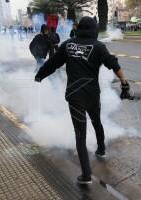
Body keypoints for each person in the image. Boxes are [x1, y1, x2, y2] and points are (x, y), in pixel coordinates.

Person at [34, 17, 133, 185]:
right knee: (96, 122)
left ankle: (86, 175)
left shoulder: (68, 44)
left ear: (79, 28)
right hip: (92, 94)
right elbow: (114, 65)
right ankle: (101, 149)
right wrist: (124, 84)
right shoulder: (99, 46)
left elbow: (53, 63)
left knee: (80, 135)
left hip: (75, 96)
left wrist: (40, 75)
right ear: (94, 29)